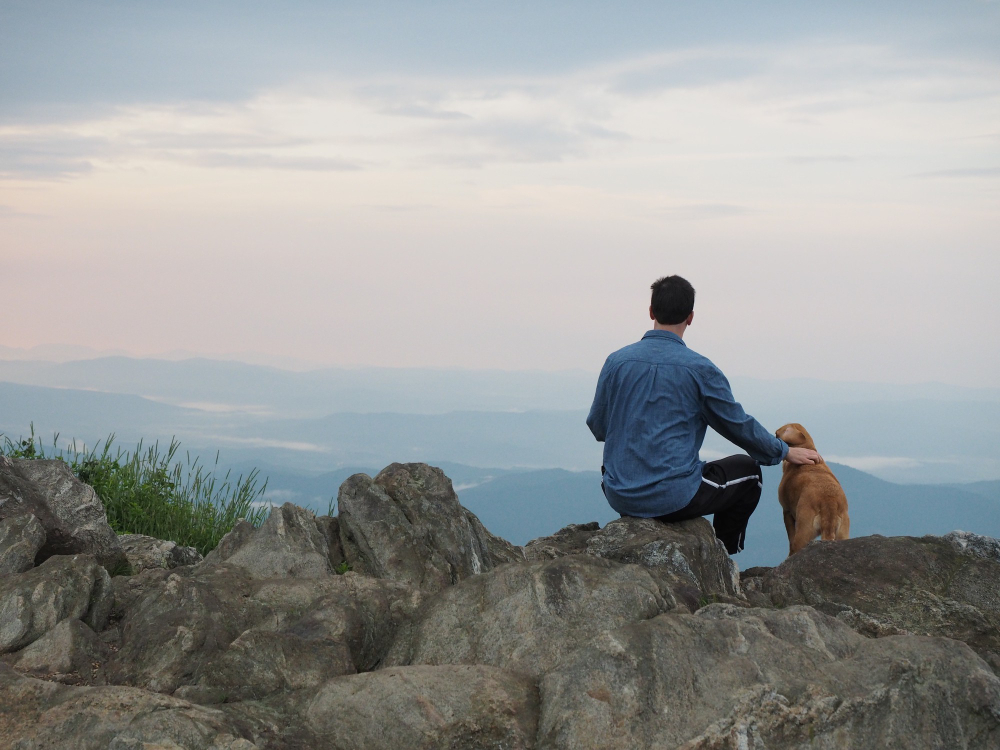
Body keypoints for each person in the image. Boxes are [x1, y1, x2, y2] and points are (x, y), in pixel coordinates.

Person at [586, 275, 820, 554]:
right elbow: (737, 424)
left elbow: (598, 427)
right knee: (750, 474)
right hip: (674, 498)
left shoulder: (616, 362)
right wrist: (783, 451)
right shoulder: (700, 370)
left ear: (651, 312)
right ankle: (722, 556)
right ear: (691, 317)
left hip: (619, 493)